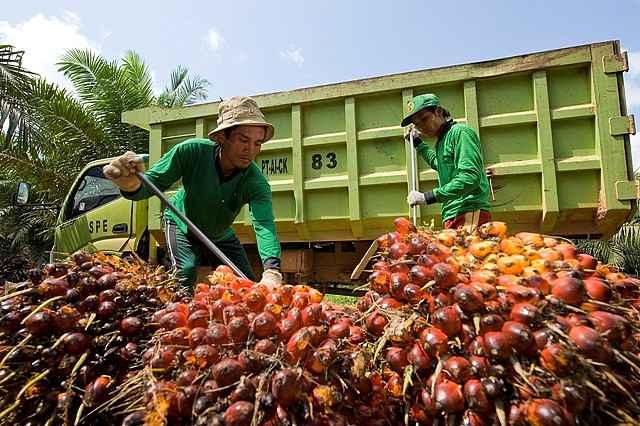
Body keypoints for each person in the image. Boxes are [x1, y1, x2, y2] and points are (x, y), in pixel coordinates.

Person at [103, 96, 282, 287]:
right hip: (181, 224)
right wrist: (130, 185)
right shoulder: (190, 152)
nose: (251, 150)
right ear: (221, 137)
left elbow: (264, 225)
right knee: (185, 272)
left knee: (246, 285)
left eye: (258, 143)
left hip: (220, 234)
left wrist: (272, 270)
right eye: (244, 140)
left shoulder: (256, 182)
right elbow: (153, 183)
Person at [401, 93, 492, 232]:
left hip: (468, 210)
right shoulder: (441, 141)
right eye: (417, 125)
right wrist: (419, 144)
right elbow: (439, 164)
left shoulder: (460, 133)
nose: (421, 128)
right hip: (453, 214)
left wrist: (428, 197)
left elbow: (469, 177)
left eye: (424, 119)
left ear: (438, 111)